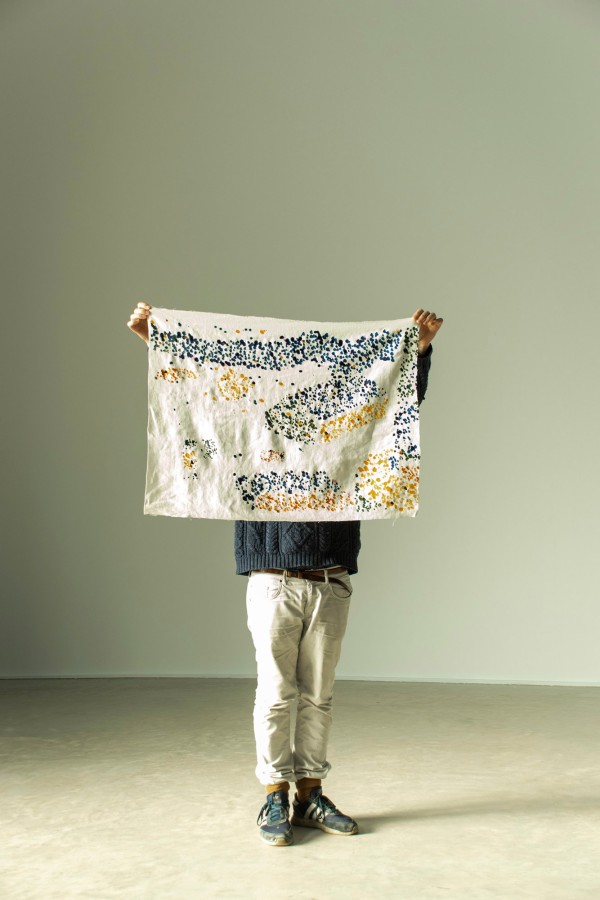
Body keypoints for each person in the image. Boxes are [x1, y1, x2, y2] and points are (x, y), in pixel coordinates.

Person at [128, 302, 442, 846]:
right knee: (276, 694)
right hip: (272, 579)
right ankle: (274, 795)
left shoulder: (346, 427)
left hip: (331, 579)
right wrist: (160, 340)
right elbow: (203, 388)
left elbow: (395, 406)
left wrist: (417, 353)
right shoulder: (250, 427)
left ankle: (311, 794)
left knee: (318, 695)